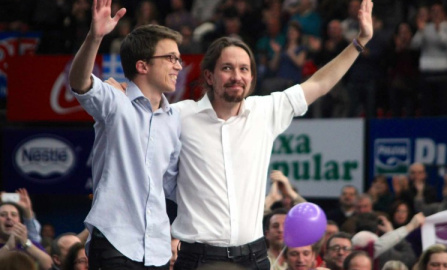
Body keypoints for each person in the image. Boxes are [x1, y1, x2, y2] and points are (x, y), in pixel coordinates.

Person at [111, 0, 373, 268]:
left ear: (251, 77)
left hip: (255, 258)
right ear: (209, 77)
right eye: (227, 68)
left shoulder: (266, 110)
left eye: (244, 69)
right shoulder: (178, 115)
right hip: (198, 259)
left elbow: (319, 82)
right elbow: (139, 123)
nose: (237, 76)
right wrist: (124, 94)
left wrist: (359, 42)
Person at [68, 0, 182, 268]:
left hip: (158, 250)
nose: (178, 66)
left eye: (178, 58)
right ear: (142, 66)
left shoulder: (174, 119)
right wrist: (95, 37)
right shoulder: (115, 102)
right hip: (114, 244)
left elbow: (173, 186)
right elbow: (79, 83)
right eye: (170, 58)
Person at [0, 202, 53, 270]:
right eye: (3, 215)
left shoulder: (31, 244)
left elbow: (49, 265)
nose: (9, 217)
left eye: (14, 215)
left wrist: (26, 243)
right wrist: (8, 247)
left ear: (20, 221)